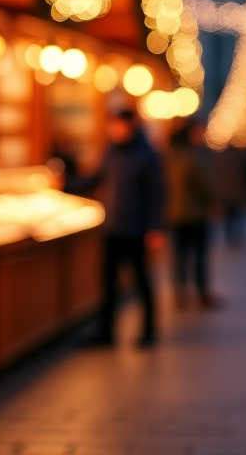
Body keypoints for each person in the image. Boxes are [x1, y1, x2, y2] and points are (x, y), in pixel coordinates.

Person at [65, 108, 166, 347]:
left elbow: (157, 193)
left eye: (120, 126)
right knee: (107, 283)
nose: (116, 130)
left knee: (141, 280)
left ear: (131, 126)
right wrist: (65, 184)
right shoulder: (111, 152)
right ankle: (106, 332)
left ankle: (148, 330)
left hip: (137, 229)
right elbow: (95, 179)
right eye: (113, 126)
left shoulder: (147, 155)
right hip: (112, 228)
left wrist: (154, 228)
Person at [165, 119, 219, 308]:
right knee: (198, 256)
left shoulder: (168, 158)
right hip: (195, 215)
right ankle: (202, 293)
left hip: (175, 215)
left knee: (179, 257)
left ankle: (180, 294)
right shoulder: (193, 158)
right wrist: (213, 203)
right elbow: (203, 186)